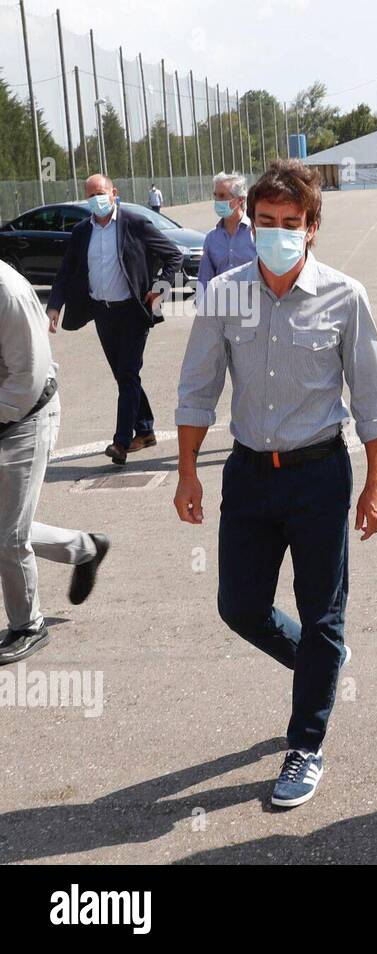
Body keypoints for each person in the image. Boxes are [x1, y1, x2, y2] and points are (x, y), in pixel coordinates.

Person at [174, 160, 377, 808]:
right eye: (264, 222)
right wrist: (188, 472)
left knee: (324, 612)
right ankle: (321, 661)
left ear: (313, 227)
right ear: (250, 223)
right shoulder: (226, 294)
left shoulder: (346, 297)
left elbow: (374, 403)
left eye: (289, 224)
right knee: (238, 607)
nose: (276, 233)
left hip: (319, 474)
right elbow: (197, 391)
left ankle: (305, 745)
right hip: (247, 475)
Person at [0, 262, 110, 665]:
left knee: (8, 537)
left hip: (26, 418)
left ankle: (28, 625)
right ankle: (83, 548)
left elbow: (25, 382)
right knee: (8, 529)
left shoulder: (6, 291)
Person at [47, 174, 183, 466]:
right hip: (102, 313)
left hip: (133, 312)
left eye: (100, 193)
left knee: (128, 374)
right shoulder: (83, 231)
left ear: (113, 193)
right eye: (90, 195)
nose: (96, 199)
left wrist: (160, 288)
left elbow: (173, 255)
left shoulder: (134, 224)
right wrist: (55, 306)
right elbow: (66, 271)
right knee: (125, 376)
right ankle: (145, 428)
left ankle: (121, 443)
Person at [197, 172, 256, 296]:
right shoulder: (211, 239)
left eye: (223, 196)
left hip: (255, 307)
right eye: (216, 195)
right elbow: (204, 279)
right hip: (222, 309)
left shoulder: (255, 233)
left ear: (240, 199)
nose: (218, 201)